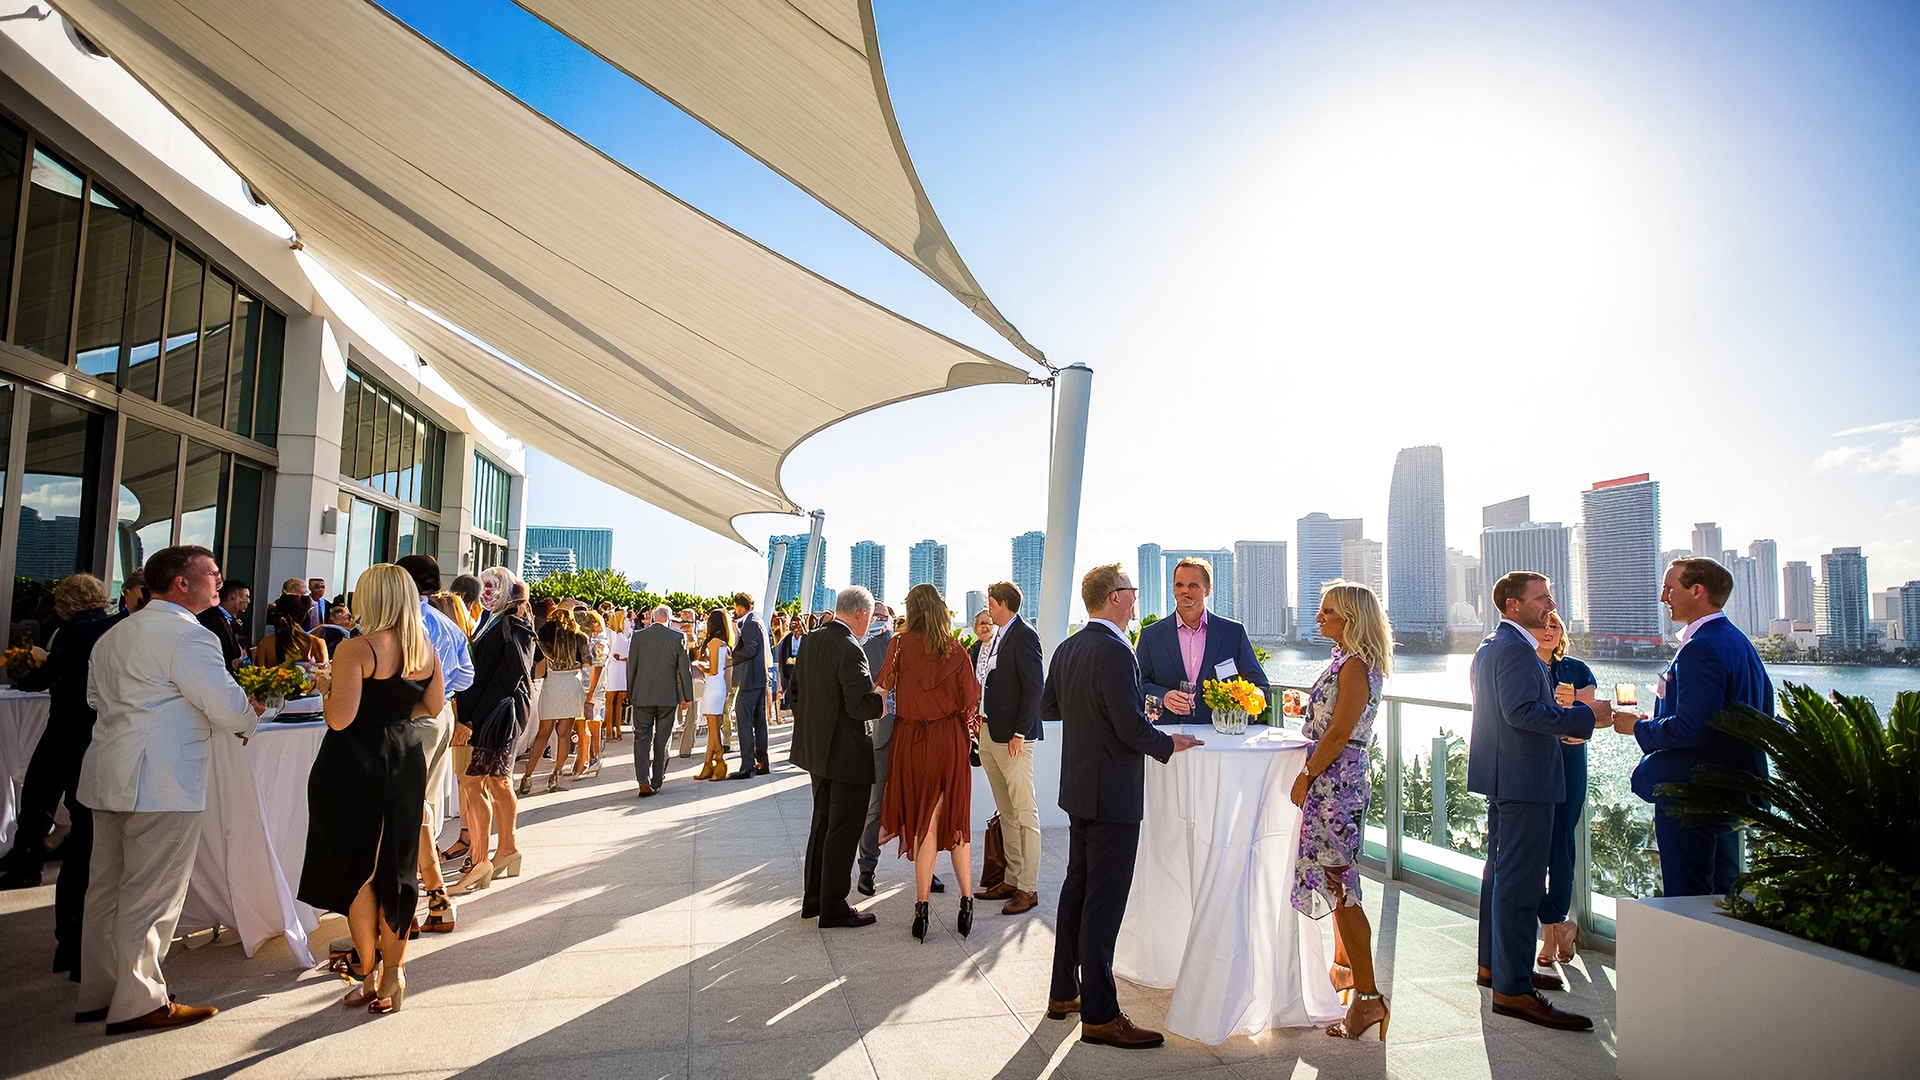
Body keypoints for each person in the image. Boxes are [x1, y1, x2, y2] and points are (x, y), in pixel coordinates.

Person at [76, 546, 263, 1034]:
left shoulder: (114, 634)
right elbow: (224, 705)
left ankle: (101, 991)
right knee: (150, 894)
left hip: (107, 774)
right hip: (161, 780)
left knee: (107, 889)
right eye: (212, 574)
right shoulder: (189, 636)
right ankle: (139, 1000)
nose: (220, 582)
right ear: (182, 583)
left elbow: (96, 698)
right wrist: (251, 715)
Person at [1044, 564, 1202, 1049]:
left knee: (1077, 890)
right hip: (1112, 793)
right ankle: (1101, 1014)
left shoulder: (1069, 647)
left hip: (1078, 789)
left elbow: (1051, 708)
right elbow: (1131, 729)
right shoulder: (1115, 651)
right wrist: (1168, 743)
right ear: (1114, 598)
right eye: (1132, 593)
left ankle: (1064, 994)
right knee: (1103, 903)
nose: (1137, 601)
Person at [1468, 571, 1627, 1032]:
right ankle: (1514, 990)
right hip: (1526, 779)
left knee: (1500, 876)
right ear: (1514, 604)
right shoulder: (1517, 649)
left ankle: (1495, 968)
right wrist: (1583, 714)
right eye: (1541, 596)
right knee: (1519, 884)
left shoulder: (1491, 646)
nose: (1549, 602)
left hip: (1504, 776)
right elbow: (1521, 713)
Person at [300, 564, 445, 1015]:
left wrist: (326, 685)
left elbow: (339, 718)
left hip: (354, 764)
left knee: (358, 866)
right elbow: (434, 705)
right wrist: (395, 707)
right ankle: (394, 974)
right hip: (403, 759)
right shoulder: (424, 649)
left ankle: (367, 971)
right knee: (398, 866)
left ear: (370, 599)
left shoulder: (355, 648)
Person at [1615, 557, 1773, 897]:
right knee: (1723, 897)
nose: (1663, 598)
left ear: (1697, 590)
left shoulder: (1700, 648)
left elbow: (1693, 727)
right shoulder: (1740, 643)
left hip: (1693, 797)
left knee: (1688, 898)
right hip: (1731, 794)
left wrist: (1637, 729)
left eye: (1670, 588)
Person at [0, 574, 123, 991]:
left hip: (60, 736)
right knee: (87, 842)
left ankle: (29, 868)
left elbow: (49, 679)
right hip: (88, 740)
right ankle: (73, 945)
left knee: (37, 806)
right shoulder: (108, 629)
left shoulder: (69, 631)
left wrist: (37, 662)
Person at [1289, 581, 1394, 1041]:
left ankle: (1369, 999)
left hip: (1336, 784)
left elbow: (1337, 735)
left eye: (1327, 611)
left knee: (1341, 883)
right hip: (1337, 779)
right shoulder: (1345, 662)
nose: (1319, 619)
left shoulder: (1355, 666)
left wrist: (1306, 774)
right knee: (1336, 879)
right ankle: (1346, 972)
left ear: (1350, 619)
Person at [874, 584, 980, 942]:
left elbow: (881, 690)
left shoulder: (899, 645)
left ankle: (921, 910)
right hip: (949, 740)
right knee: (955, 821)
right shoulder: (957, 651)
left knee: (926, 825)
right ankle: (967, 901)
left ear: (913, 610)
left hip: (911, 742)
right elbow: (971, 701)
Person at [790, 587, 886, 930]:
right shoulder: (850, 648)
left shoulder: (813, 640)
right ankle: (834, 907)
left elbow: (793, 695)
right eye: (872, 616)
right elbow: (860, 706)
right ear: (860, 614)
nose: (870, 623)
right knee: (843, 832)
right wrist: (881, 697)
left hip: (817, 751)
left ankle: (814, 899)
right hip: (846, 755)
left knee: (822, 825)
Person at [394, 555, 475, 934]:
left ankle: (408, 904)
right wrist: (446, 698)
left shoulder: (403, 624)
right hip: (441, 715)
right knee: (421, 804)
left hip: (411, 718)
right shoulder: (447, 622)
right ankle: (436, 897)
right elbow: (466, 674)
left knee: (404, 808)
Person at [450, 567, 533, 890]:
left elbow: (507, 679)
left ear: (507, 591)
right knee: (495, 783)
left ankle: (484, 858)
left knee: (478, 783)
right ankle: (504, 851)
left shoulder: (512, 624)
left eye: (493, 587)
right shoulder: (493, 621)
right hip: (492, 715)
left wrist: (472, 719)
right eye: (483, 587)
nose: (486, 593)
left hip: (497, 716)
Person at [975, 581, 1045, 915]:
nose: (988, 608)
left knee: (1024, 812)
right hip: (988, 733)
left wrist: (1020, 732)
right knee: (1006, 812)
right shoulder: (997, 636)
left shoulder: (1025, 635)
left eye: (991, 602)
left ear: (1003, 603)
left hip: (1014, 738)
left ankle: (1028, 888)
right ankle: (1011, 878)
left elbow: (1034, 688)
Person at [1135, 557, 1269, 726]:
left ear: (1208, 590)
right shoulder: (1151, 636)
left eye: (1193, 585)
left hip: (1219, 735)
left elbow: (1260, 685)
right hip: (1169, 738)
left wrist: (1249, 697)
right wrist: (1164, 696)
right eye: (1179, 585)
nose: (1185, 591)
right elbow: (1137, 684)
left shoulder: (1233, 633)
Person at [1535, 612, 1595, 968]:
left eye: (1555, 626)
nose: (1548, 630)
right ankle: (1559, 926)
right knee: (1533, 845)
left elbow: (1590, 719)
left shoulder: (1576, 670)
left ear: (1562, 634)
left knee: (1561, 843)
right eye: (1543, 625)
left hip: (1570, 760)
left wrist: (1575, 714)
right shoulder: (1525, 667)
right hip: (1535, 762)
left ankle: (1551, 929)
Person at [627, 603, 695, 796]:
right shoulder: (678, 637)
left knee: (641, 737)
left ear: (654, 617)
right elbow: (685, 670)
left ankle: (642, 780)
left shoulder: (638, 636)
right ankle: (657, 779)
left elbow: (632, 667)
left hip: (642, 695)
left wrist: (630, 693)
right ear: (669, 618)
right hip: (668, 696)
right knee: (662, 738)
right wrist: (687, 696)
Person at [522, 605, 589, 795]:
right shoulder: (579, 636)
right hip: (571, 684)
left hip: (552, 684)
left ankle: (527, 776)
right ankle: (555, 775)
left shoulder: (546, 633)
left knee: (542, 734)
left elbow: (539, 663)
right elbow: (588, 660)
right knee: (564, 734)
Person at [729, 592, 771, 779]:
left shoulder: (750, 623)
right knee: (759, 722)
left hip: (750, 679)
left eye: (736, 606)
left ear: (741, 606)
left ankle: (747, 765)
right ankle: (762, 763)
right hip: (759, 679)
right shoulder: (758, 621)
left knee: (744, 720)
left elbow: (751, 649)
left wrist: (732, 656)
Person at [570, 607, 609, 778]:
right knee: (586, 724)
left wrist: (591, 692)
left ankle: (591, 758)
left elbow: (598, 668)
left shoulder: (600, 644)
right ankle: (586, 758)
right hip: (587, 687)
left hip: (594, 688)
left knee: (592, 724)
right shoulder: (588, 641)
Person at [694, 608, 733, 780]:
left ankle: (720, 760)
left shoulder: (714, 642)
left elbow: (713, 668)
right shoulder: (724, 643)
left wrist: (700, 665)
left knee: (713, 729)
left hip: (712, 685)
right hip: (719, 686)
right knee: (713, 729)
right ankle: (707, 764)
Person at [252, 594, 327, 667]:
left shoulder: (266, 643)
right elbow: (324, 674)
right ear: (304, 616)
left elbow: (257, 675)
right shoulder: (317, 643)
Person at [196, 580, 250, 671]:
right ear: (232, 597)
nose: (248, 601)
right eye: (246, 597)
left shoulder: (233, 621)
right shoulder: (211, 620)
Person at [603, 608, 631, 744]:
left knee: (619, 701)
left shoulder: (624, 635)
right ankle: (608, 729)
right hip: (613, 667)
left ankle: (617, 728)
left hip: (621, 668)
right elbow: (608, 651)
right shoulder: (609, 633)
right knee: (610, 699)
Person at [775, 616, 805, 720]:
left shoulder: (805, 638)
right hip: (789, 668)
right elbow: (784, 654)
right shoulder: (787, 639)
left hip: (802, 667)